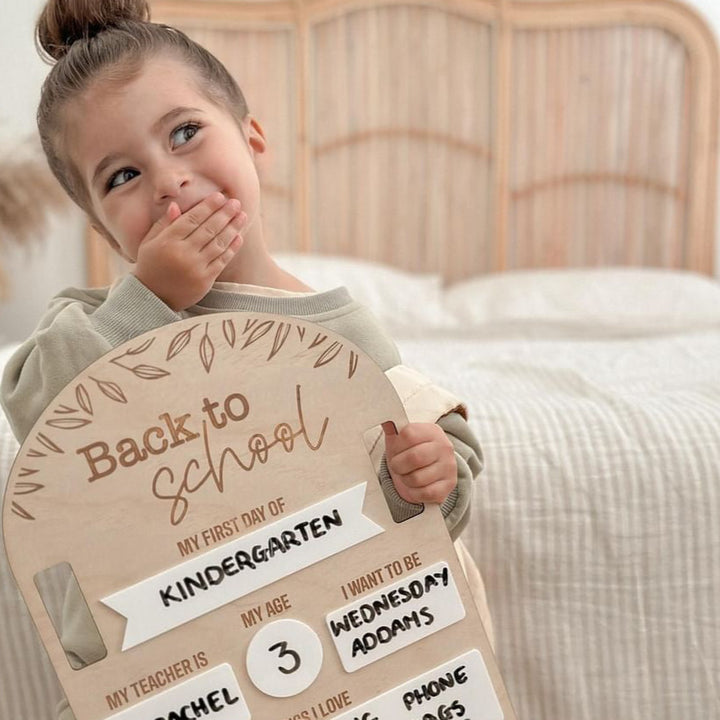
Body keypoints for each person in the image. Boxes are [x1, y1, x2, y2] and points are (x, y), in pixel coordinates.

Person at [0, 1, 491, 717]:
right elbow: (40, 414)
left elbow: (420, 498)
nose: (167, 180)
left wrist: (434, 475)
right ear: (103, 228)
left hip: (320, 658)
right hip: (162, 670)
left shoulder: (338, 331)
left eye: (186, 133)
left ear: (253, 139)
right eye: (121, 177)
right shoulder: (89, 324)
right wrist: (151, 300)